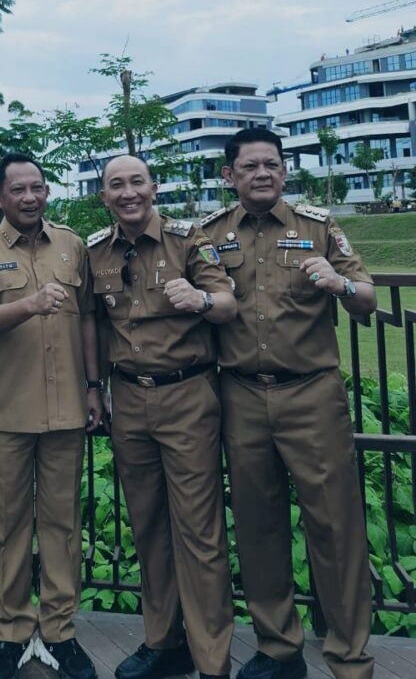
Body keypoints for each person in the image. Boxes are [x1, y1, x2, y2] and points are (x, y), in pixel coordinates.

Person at [202, 128, 376, 679]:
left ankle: (350, 656)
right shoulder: (208, 236)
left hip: (311, 394)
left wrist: (340, 285)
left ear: (284, 172)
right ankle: (279, 648)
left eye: (272, 165)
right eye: (249, 166)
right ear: (229, 175)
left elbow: (367, 297)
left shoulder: (318, 228)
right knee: (258, 525)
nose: (262, 174)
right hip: (242, 395)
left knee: (335, 526)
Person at [88, 155, 236, 679]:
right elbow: (92, 325)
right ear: (103, 195)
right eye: (115, 185)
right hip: (128, 399)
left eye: (136, 182)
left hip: (187, 395)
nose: (127, 192)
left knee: (198, 530)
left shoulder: (187, 240)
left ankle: (211, 654)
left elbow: (226, 303)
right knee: (148, 526)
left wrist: (198, 299)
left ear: (152, 188)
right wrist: (93, 386)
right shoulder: (96, 252)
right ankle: (163, 641)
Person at [0, 153, 103, 679]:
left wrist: (93, 387)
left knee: (62, 526)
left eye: (37, 187)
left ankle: (60, 632)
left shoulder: (72, 245)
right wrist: (29, 304)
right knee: (6, 527)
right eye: (17, 190)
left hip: (67, 408)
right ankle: (12, 631)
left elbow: (87, 318)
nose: (29, 197)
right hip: (6, 411)